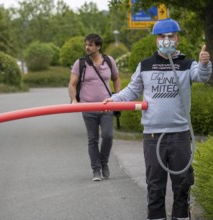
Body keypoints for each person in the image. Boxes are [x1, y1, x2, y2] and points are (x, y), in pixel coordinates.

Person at [103, 18, 212, 220]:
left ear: (177, 39)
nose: (167, 39)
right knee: (155, 186)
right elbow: (132, 90)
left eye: (171, 36)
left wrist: (205, 63)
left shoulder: (187, 64)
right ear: (156, 40)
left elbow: (201, 76)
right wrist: (114, 99)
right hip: (153, 136)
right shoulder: (145, 65)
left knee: (182, 184)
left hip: (179, 135)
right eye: (162, 36)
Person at [68, 33, 121, 181]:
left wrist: (118, 96)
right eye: (86, 44)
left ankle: (104, 163)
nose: (87, 47)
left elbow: (116, 79)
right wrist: (74, 100)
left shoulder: (109, 61)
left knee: (108, 136)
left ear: (98, 46)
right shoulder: (81, 63)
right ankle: (96, 170)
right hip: (88, 107)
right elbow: (72, 83)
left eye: (90, 45)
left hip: (106, 107)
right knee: (93, 139)